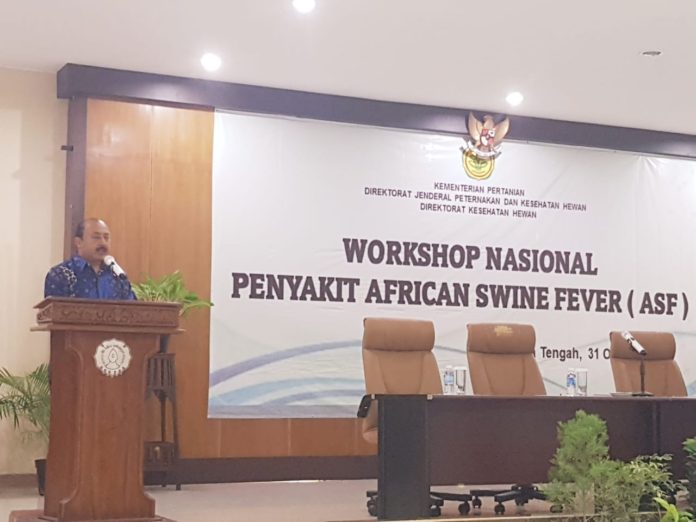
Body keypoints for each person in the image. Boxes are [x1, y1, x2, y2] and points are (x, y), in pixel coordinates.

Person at [44, 218, 136, 300]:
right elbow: (55, 311)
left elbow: (132, 310)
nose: (103, 243)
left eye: (106, 237)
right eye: (96, 237)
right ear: (78, 242)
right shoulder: (62, 274)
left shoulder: (117, 277)